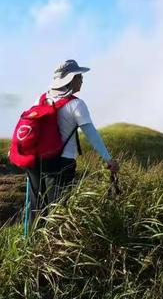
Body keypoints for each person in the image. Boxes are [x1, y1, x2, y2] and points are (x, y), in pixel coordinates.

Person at [26, 59, 119, 227]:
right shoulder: (76, 104)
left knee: (36, 209)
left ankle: (31, 247)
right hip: (61, 163)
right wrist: (108, 159)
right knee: (59, 211)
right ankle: (55, 248)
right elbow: (91, 134)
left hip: (35, 161)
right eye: (79, 76)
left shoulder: (40, 99)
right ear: (70, 79)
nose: (82, 80)